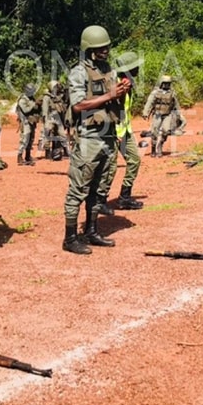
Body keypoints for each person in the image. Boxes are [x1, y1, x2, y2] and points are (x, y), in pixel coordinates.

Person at [61, 25, 129, 254]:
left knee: (98, 189)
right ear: (88, 49)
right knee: (78, 189)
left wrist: (121, 90)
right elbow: (78, 105)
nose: (105, 51)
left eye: (107, 47)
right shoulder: (78, 72)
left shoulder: (109, 70)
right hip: (89, 138)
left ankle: (91, 231)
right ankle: (70, 238)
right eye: (100, 48)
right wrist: (109, 95)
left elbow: (113, 100)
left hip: (108, 135)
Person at [97, 50, 145, 212]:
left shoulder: (128, 82)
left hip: (125, 130)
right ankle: (100, 200)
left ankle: (124, 197)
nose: (138, 69)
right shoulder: (113, 83)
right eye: (136, 67)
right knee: (110, 167)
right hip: (112, 130)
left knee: (134, 160)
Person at [142, 74, 181, 157]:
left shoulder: (172, 93)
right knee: (154, 132)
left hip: (167, 114)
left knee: (166, 131)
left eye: (168, 83)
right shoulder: (156, 93)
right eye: (165, 83)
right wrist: (145, 112)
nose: (167, 85)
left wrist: (179, 115)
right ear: (161, 83)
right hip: (157, 114)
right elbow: (149, 102)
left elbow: (176, 104)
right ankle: (153, 149)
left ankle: (160, 145)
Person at [14, 83, 40, 166]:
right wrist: (34, 104)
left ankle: (28, 156)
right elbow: (26, 110)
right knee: (25, 139)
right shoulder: (22, 99)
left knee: (31, 139)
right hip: (25, 122)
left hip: (31, 121)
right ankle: (20, 156)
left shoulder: (31, 98)